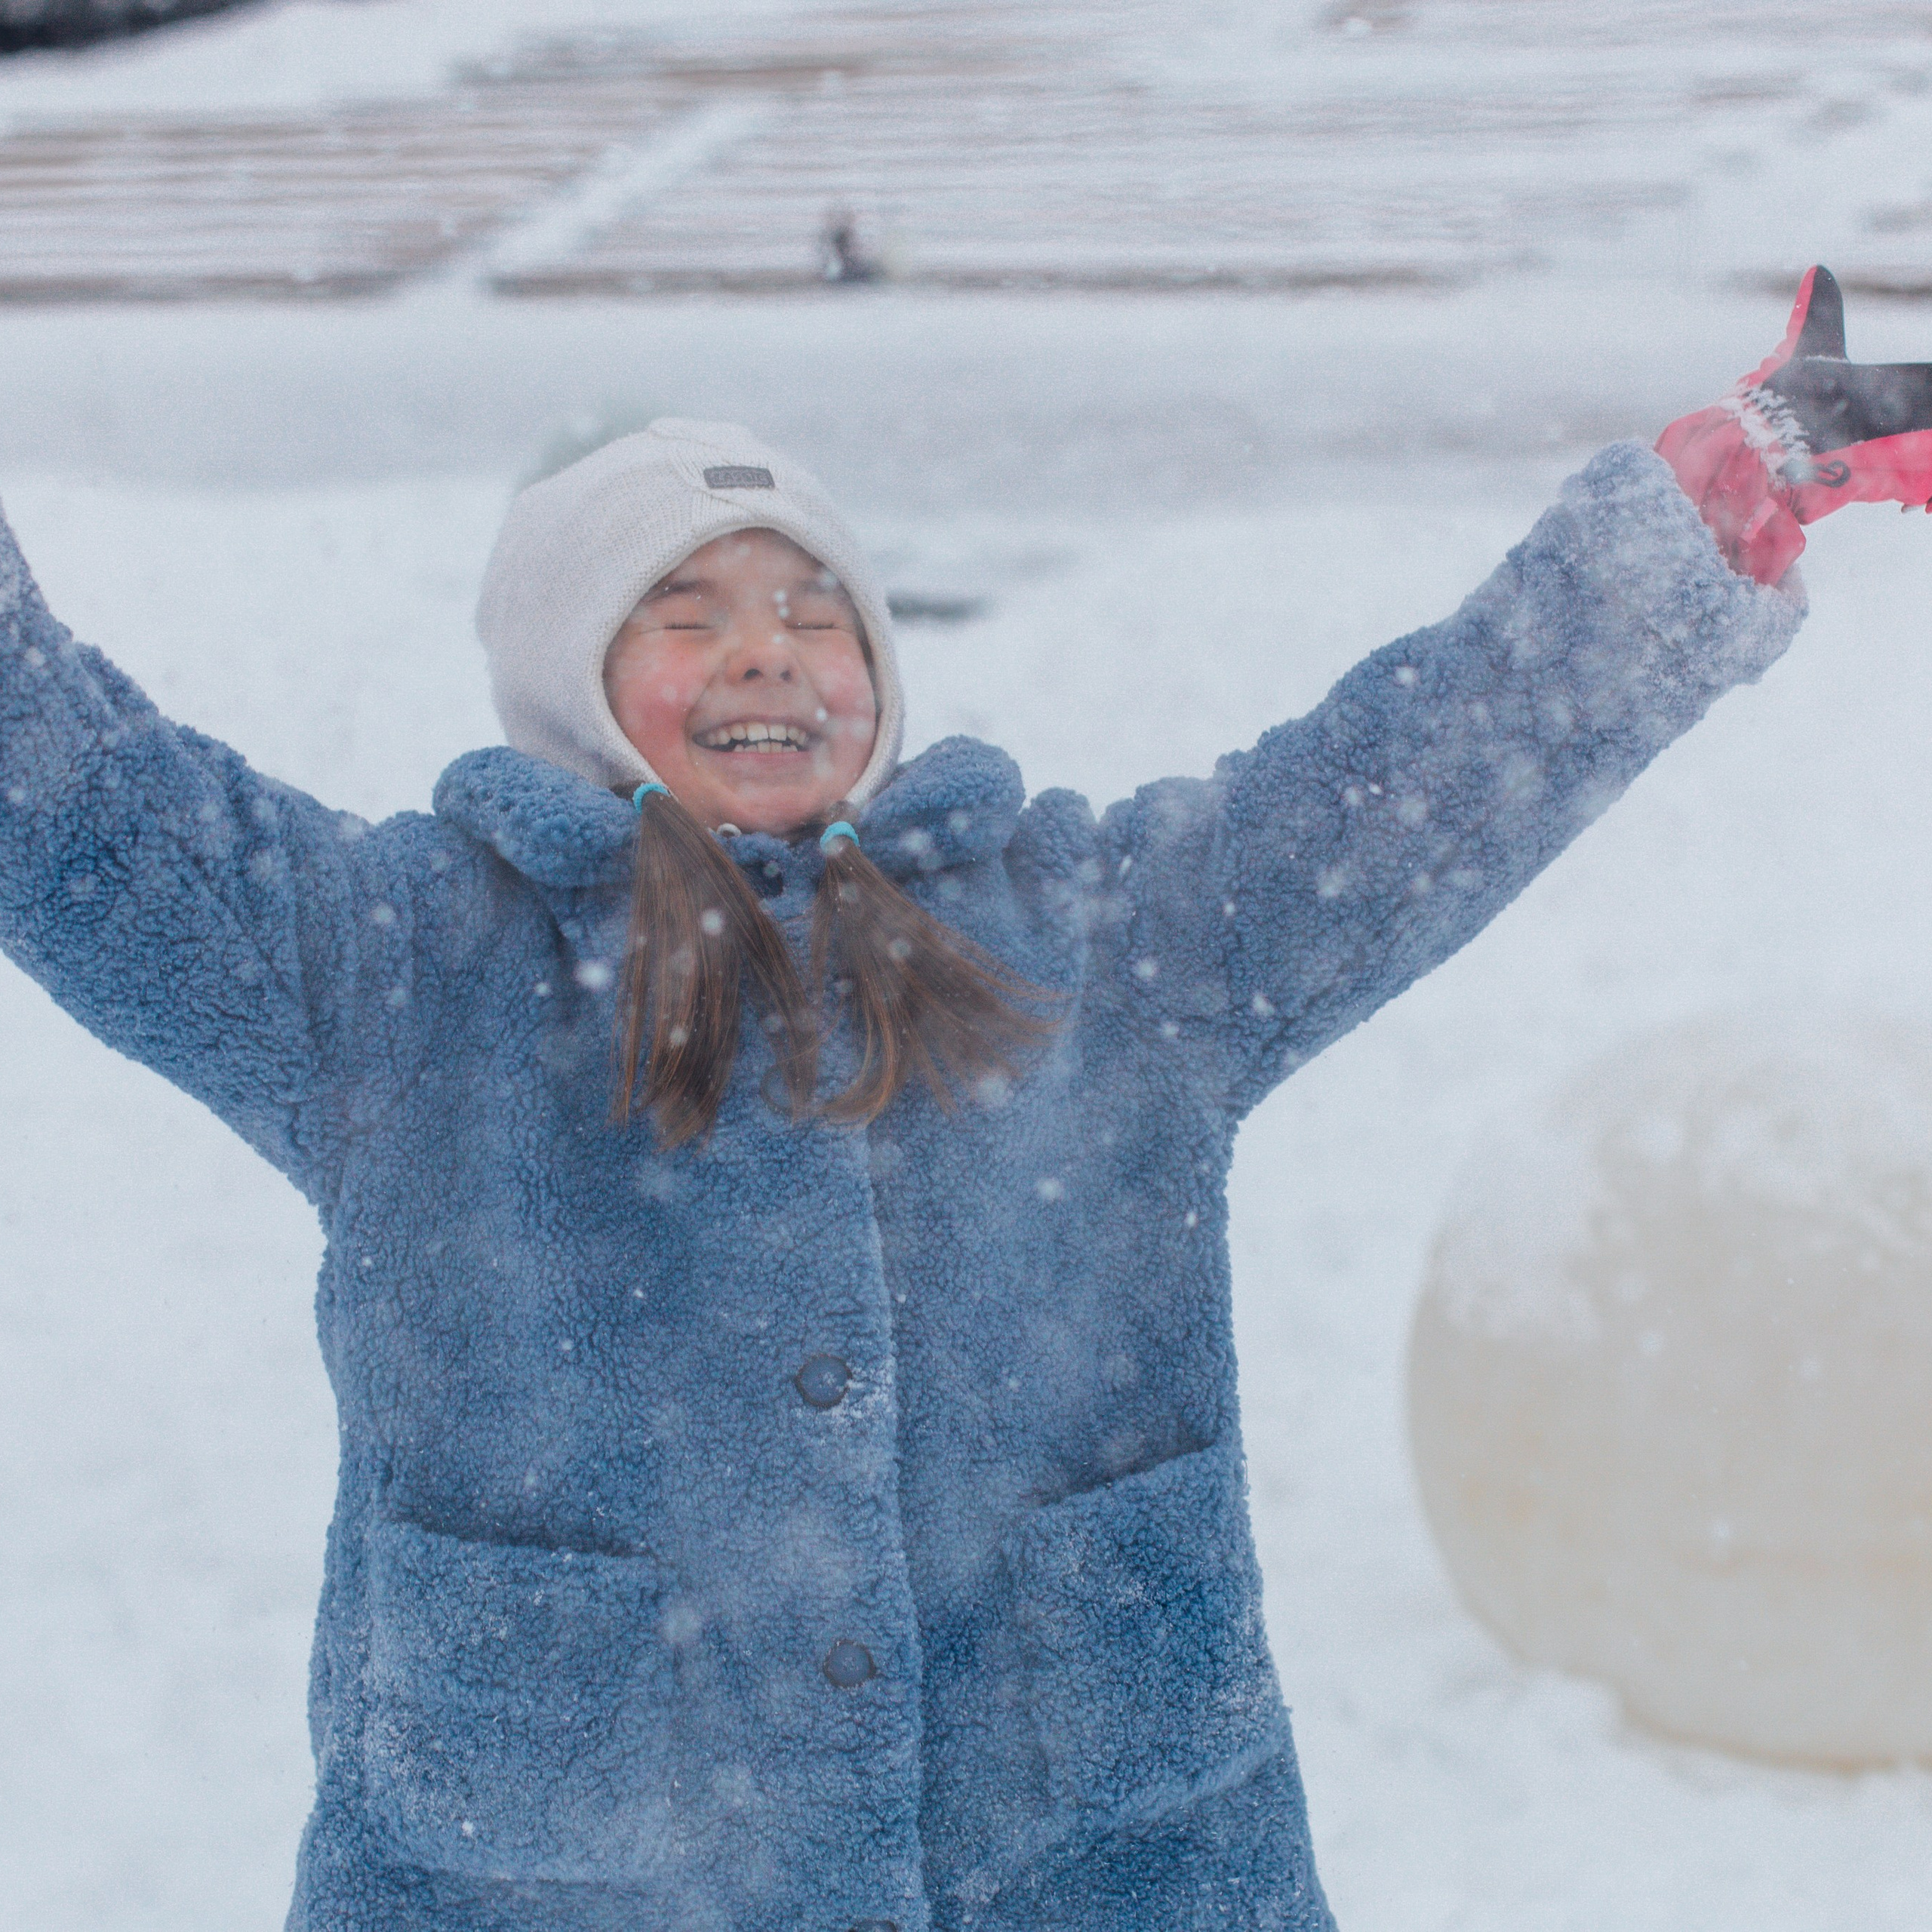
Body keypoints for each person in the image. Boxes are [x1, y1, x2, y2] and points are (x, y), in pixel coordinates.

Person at [0, 270, 1924, 1932]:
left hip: (1100, 1853)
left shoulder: (1091, 937)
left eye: (813, 608)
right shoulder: (393, 974)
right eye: (683, 605)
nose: (766, 644)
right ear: (569, 681)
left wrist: (1706, 514)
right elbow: (81, 805)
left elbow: (1404, 778)